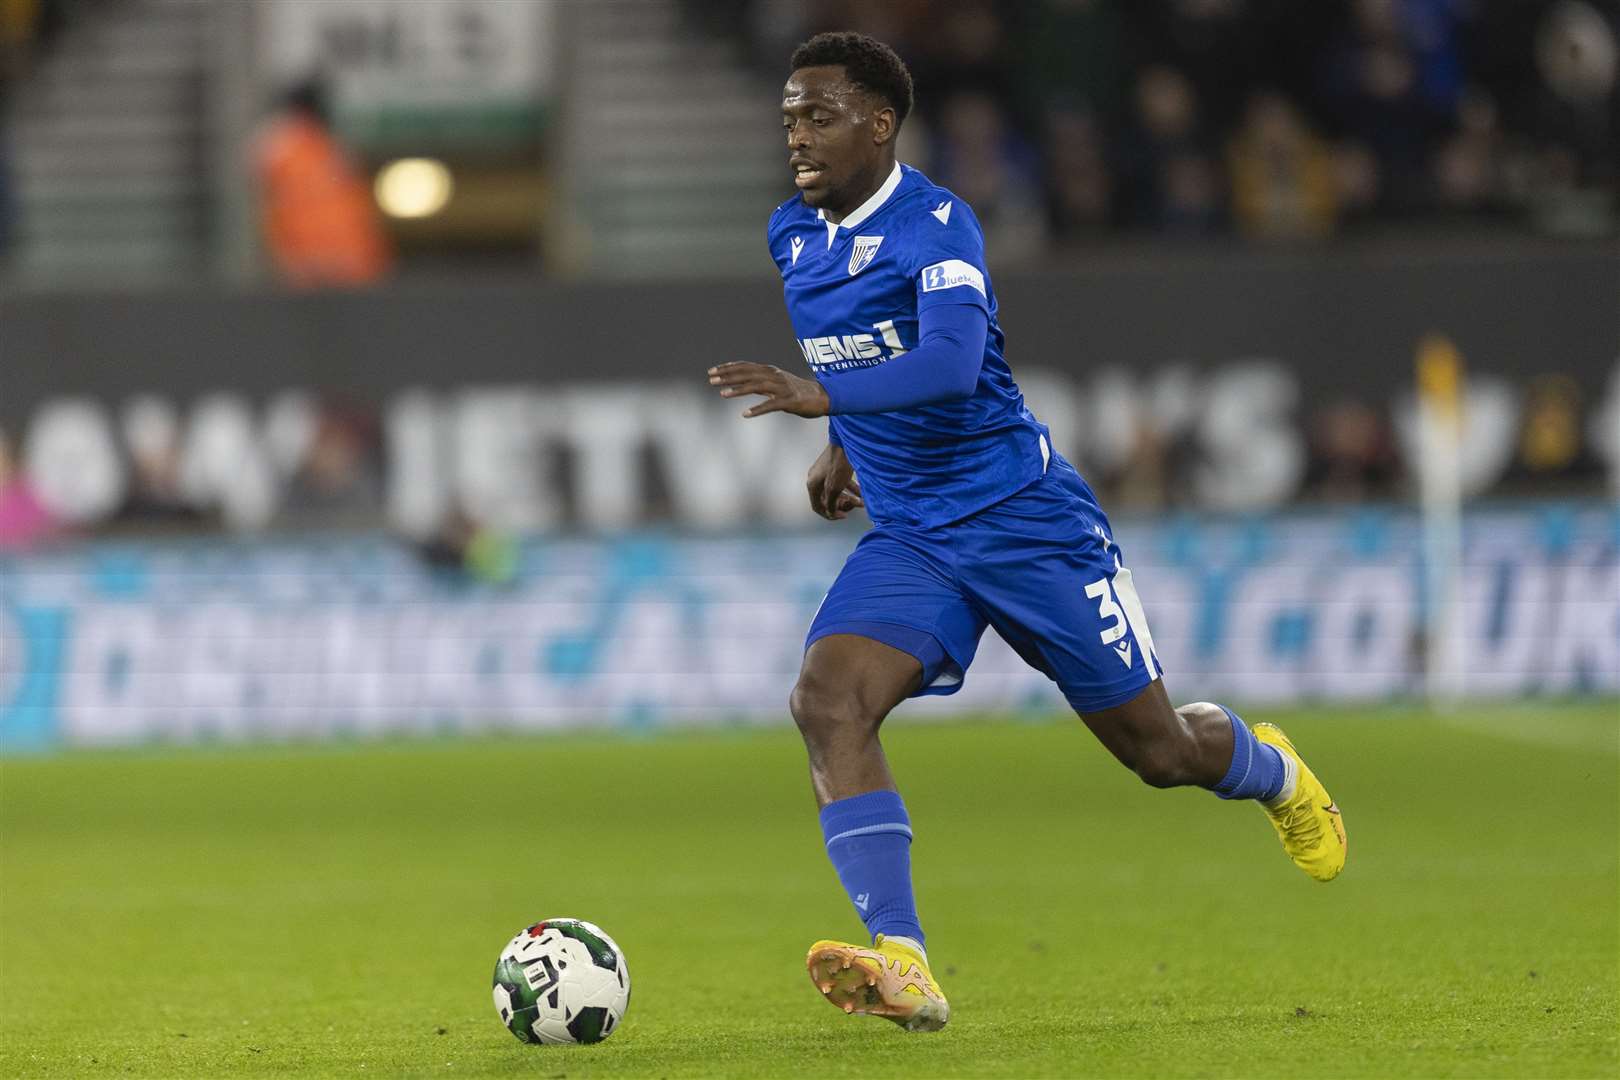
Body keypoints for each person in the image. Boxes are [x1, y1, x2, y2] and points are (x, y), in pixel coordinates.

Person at [707, 32, 1347, 1034]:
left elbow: (953, 366)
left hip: (1025, 522)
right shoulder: (793, 232)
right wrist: (847, 436)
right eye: (790, 114)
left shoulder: (937, 226)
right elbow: (873, 347)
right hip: (917, 538)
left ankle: (1272, 771)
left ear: (879, 126)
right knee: (827, 702)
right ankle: (904, 960)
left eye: (819, 115)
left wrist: (821, 395)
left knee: (1159, 752)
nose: (797, 132)